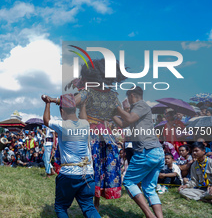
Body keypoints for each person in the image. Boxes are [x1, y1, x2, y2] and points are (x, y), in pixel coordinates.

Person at [67, 58, 126, 209]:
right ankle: (96, 205)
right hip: (107, 136)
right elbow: (122, 119)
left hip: (90, 134)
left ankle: (90, 204)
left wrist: (53, 100)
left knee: (91, 167)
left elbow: (69, 103)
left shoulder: (87, 92)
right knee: (102, 166)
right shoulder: (113, 95)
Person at [42, 93, 100, 218]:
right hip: (88, 173)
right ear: (75, 109)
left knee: (61, 207)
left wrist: (47, 103)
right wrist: (83, 105)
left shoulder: (62, 125)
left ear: (62, 111)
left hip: (69, 174)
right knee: (89, 207)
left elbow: (46, 121)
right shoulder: (85, 124)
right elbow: (83, 117)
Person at [113, 87, 164, 218]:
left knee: (129, 181)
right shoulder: (137, 109)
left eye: (127, 98)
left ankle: (149, 215)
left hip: (147, 151)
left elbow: (128, 119)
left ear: (132, 95)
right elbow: (124, 124)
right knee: (149, 188)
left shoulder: (140, 105)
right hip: (155, 152)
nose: (127, 102)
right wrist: (112, 114)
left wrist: (117, 107)